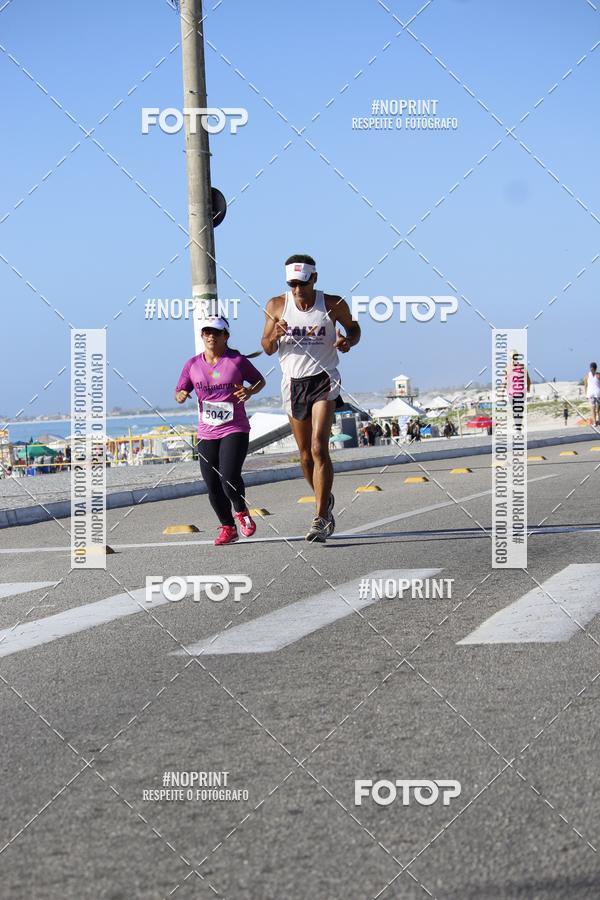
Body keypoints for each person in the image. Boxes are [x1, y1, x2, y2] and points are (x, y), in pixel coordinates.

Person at [261, 253, 360, 542]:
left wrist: (347, 340)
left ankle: (320, 517)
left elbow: (354, 328)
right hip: (293, 383)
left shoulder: (332, 304)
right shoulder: (276, 305)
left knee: (319, 447)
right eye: (292, 284)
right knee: (304, 456)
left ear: (314, 278)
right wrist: (274, 336)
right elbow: (265, 346)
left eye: (302, 284)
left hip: (324, 378)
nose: (297, 290)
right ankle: (323, 498)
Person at [176, 316, 266, 545]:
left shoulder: (236, 360)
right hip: (207, 431)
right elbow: (180, 389)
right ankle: (228, 528)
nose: (210, 336)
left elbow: (259, 381)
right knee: (212, 483)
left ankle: (241, 512)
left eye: (216, 332)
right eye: (206, 332)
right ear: (202, 335)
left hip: (234, 427)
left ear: (226, 336)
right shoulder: (193, 364)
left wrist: (249, 392)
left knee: (228, 477)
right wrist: (182, 395)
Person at [584, 362, 600, 426]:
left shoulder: (587, 376)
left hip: (590, 394)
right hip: (598, 393)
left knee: (593, 408)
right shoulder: (598, 375)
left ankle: (594, 422)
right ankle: (597, 421)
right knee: (598, 409)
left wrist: (586, 394)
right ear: (596, 368)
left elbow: (585, 386)